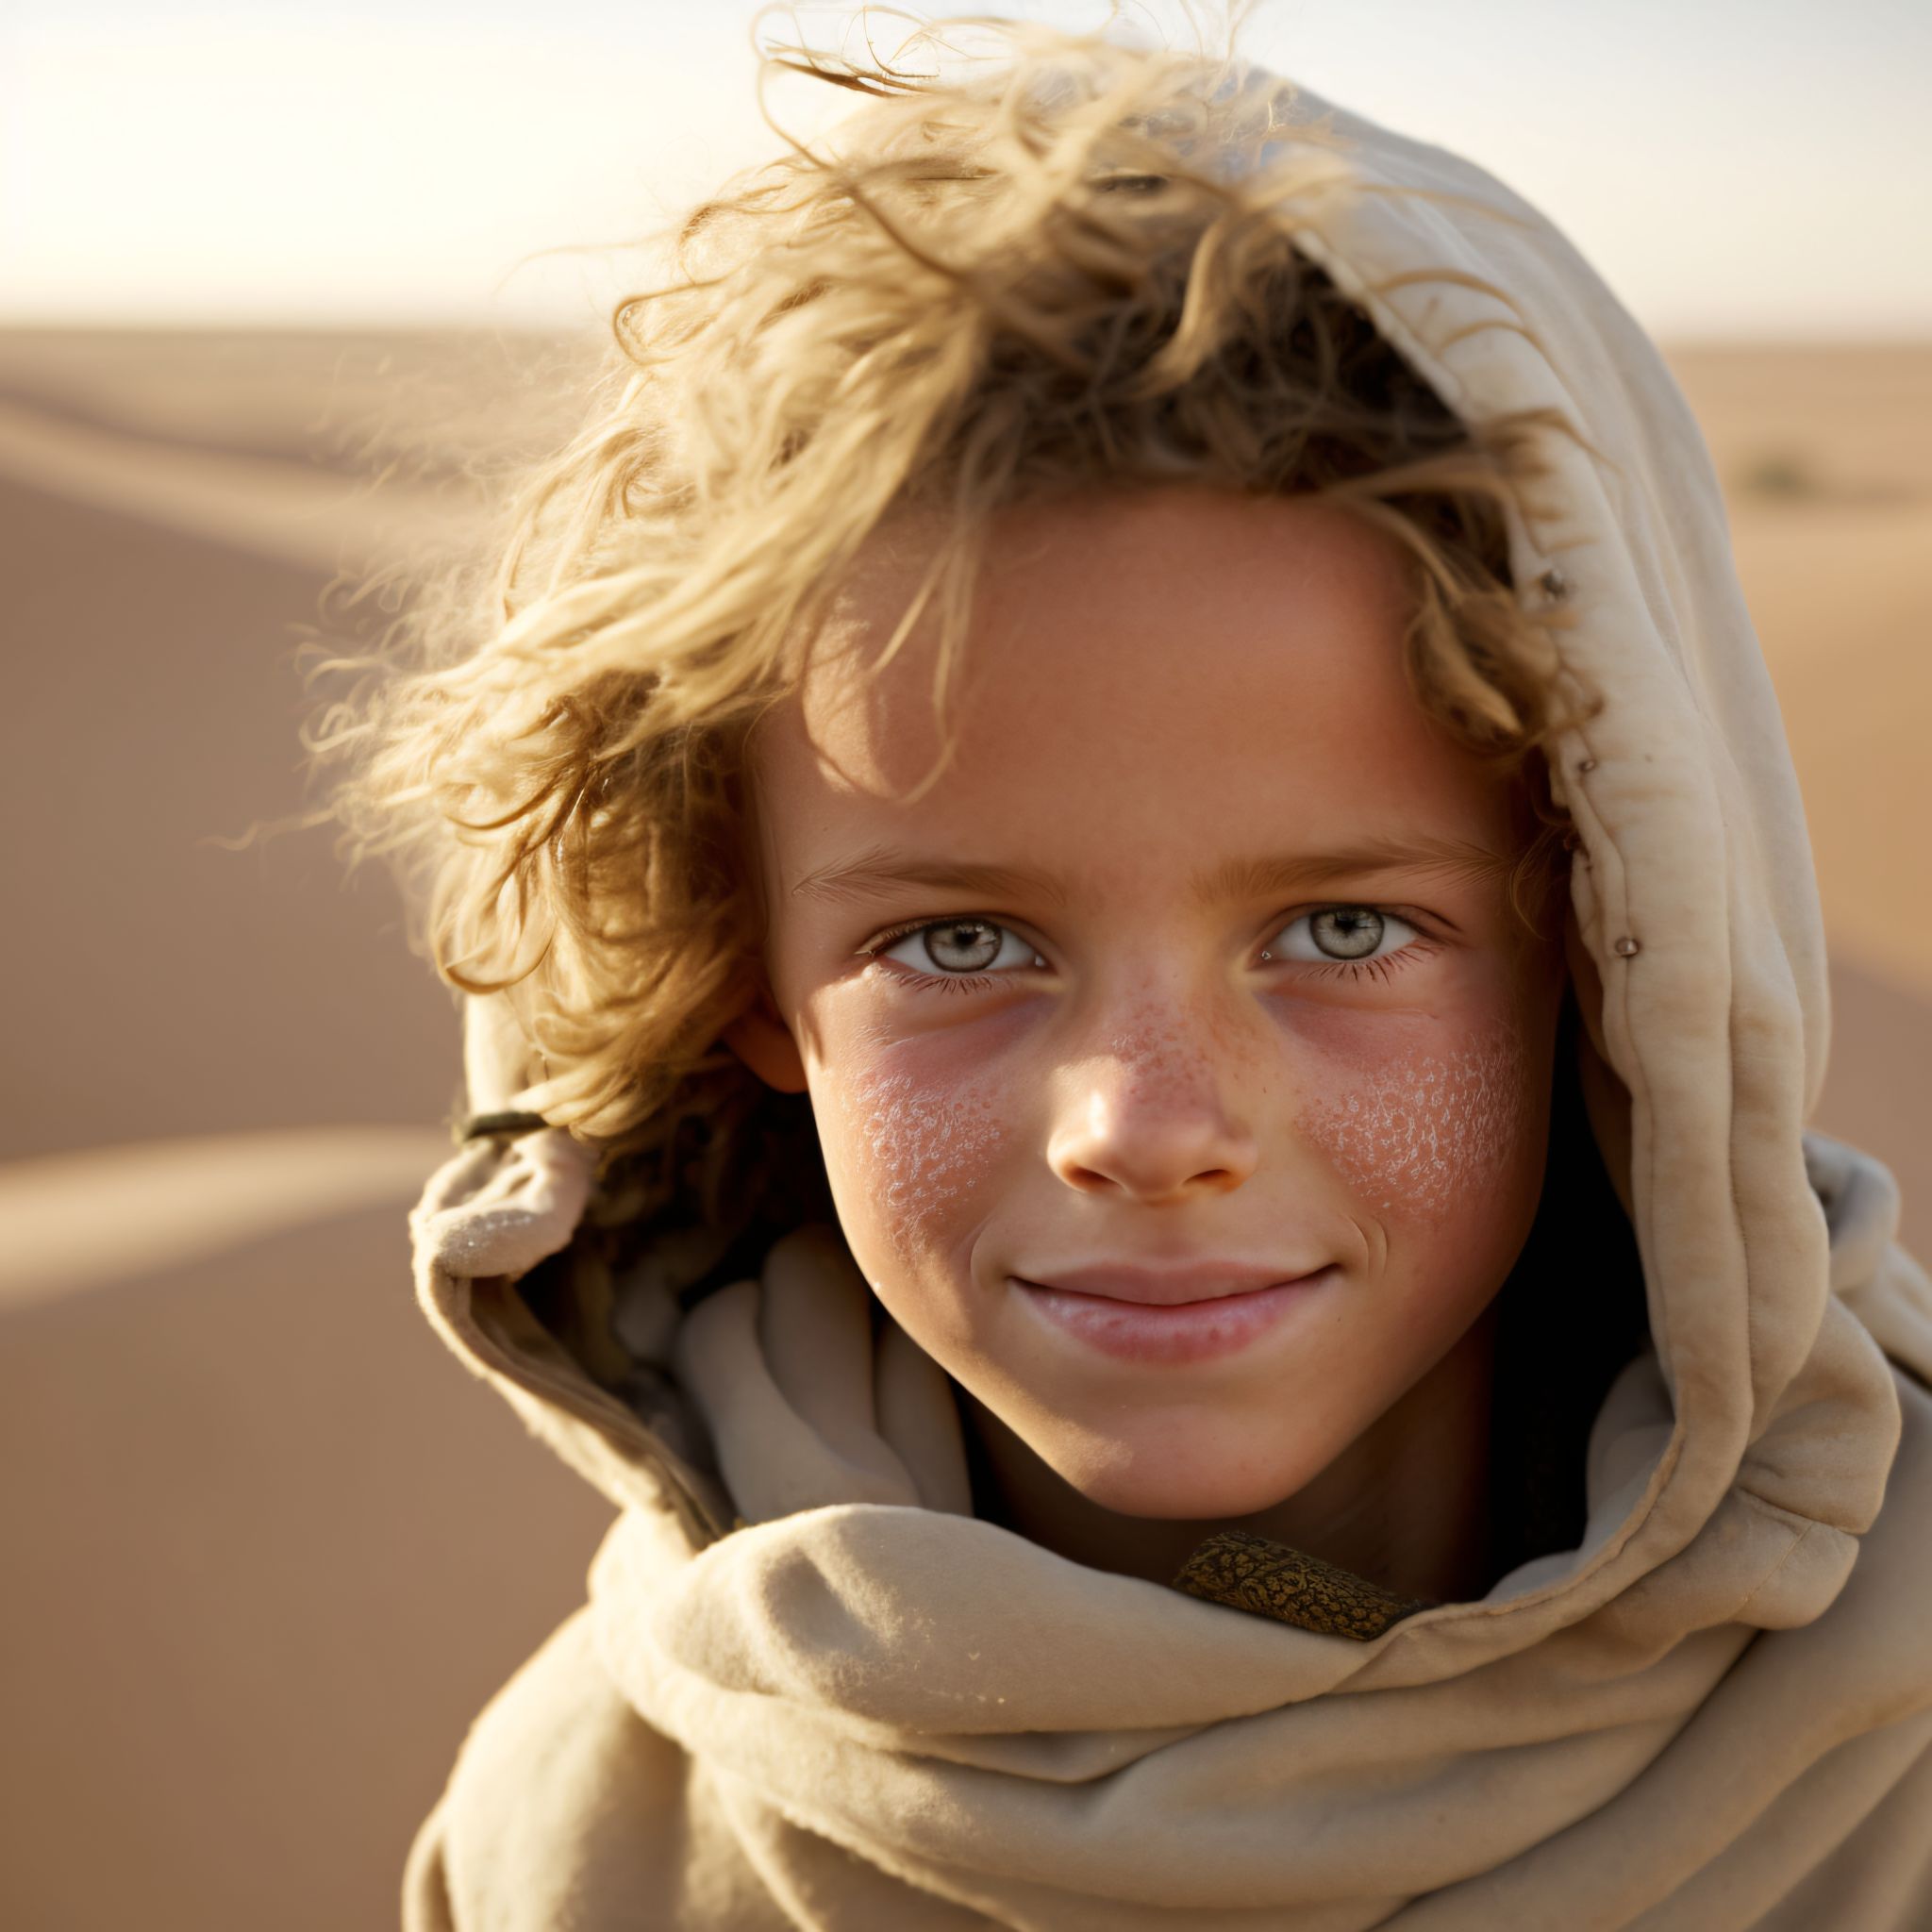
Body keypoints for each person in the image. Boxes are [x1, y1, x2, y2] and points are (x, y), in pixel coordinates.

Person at [325, 11, 1932, 1926]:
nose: (1148, 1125)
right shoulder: (589, 1843)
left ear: (1604, 940)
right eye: (959, 941)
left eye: (1342, 929)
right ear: (742, 979)